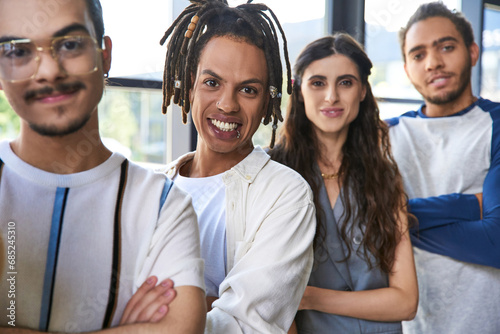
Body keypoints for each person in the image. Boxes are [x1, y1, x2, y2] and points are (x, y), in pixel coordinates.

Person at [0, 0, 205, 333]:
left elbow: (182, 328)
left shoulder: (163, 205)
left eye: (69, 44)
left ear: (104, 54)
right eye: (17, 51)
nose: (49, 70)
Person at [142, 0, 316, 332]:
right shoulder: (148, 188)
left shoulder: (286, 195)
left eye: (248, 90)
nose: (227, 104)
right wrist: (206, 306)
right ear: (191, 83)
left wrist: (173, 316)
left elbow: (244, 325)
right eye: (212, 82)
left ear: (268, 100)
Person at [269, 33, 418, 333]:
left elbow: (405, 301)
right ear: (298, 91)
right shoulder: (273, 172)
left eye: (346, 82)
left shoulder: (384, 178)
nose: (331, 97)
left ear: (362, 90)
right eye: (318, 82)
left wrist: (310, 297)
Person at [387, 2, 500, 333]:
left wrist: (394, 220)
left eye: (446, 47)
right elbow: (361, 225)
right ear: (407, 68)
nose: (433, 63)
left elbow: (495, 243)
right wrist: (471, 206)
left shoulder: (496, 124)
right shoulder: (385, 135)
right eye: (418, 55)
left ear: (473, 52)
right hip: (411, 325)